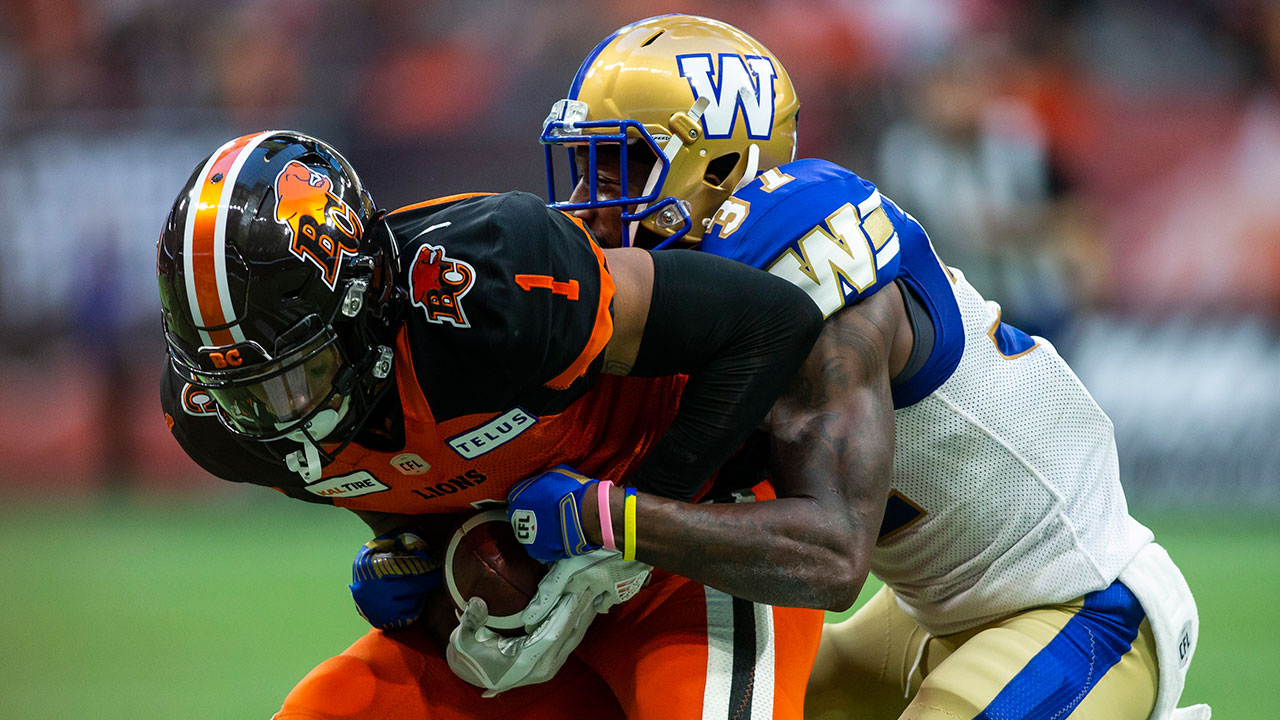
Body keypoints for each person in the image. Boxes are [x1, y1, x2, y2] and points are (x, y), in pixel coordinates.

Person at [511, 14, 1210, 720]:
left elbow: (831, 555)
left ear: (719, 169)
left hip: (1079, 606)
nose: (592, 199)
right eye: (586, 162)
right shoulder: (714, 288)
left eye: (624, 161)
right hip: (934, 609)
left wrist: (609, 517)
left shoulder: (814, 282)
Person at [156, 130, 826, 718]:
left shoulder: (489, 288)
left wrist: (636, 522)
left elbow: (769, 323)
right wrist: (413, 552)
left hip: (685, 557)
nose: (282, 414)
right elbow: (392, 482)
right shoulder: (220, 425)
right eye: (248, 394)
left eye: (298, 373)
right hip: (525, 600)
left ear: (362, 306)